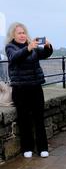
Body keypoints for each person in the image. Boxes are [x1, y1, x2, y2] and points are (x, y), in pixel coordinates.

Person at [5, 22, 53, 158]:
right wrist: (28, 48)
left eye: (24, 32)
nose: (22, 35)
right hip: (20, 89)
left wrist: (48, 47)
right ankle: (27, 148)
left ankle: (43, 147)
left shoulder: (31, 45)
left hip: (35, 87)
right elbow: (15, 57)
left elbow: (44, 54)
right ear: (13, 35)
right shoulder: (10, 47)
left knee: (39, 118)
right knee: (24, 119)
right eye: (19, 33)